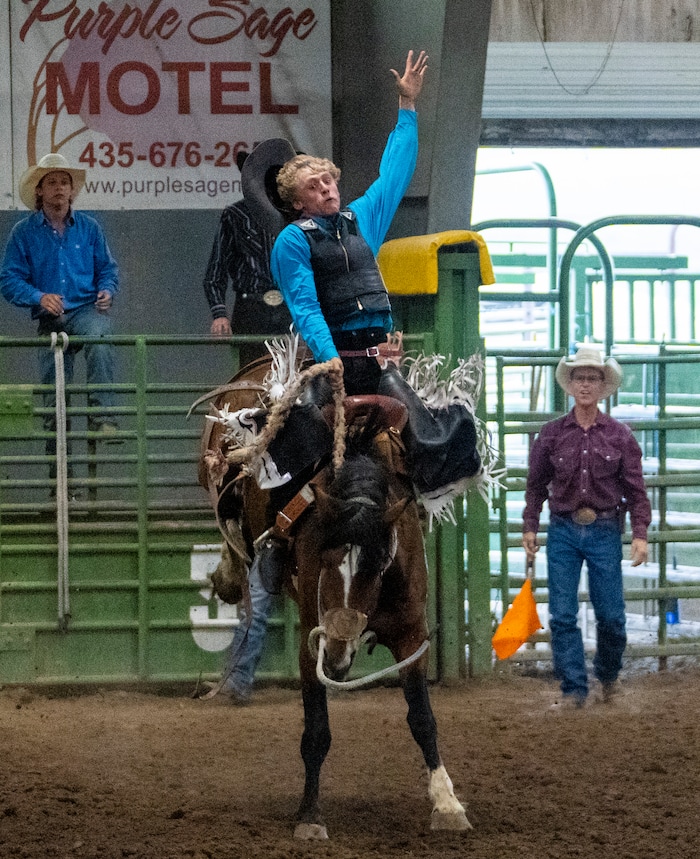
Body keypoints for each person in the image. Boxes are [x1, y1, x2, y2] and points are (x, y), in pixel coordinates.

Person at [236, 49, 481, 594]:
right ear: (298, 202)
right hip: (335, 364)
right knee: (311, 454)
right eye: (316, 186)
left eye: (329, 181)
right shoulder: (292, 242)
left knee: (428, 437)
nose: (328, 189)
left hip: (380, 364)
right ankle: (278, 535)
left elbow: (394, 172)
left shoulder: (361, 220)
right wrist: (328, 358)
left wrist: (407, 108)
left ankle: (404, 532)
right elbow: (304, 305)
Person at [522, 346, 651, 708]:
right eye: (580, 377)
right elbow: (535, 486)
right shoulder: (550, 435)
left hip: (605, 529)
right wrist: (530, 525)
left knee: (611, 616)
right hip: (563, 528)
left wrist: (640, 534)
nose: (585, 384)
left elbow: (636, 491)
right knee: (562, 614)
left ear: (601, 385)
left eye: (592, 378)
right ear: (571, 384)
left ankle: (607, 674)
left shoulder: (620, 436)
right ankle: (574, 689)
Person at [0, 152, 120, 491]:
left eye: (64, 182)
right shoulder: (23, 233)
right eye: (51, 182)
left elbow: (107, 270)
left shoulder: (90, 228)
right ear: (40, 191)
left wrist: (107, 290)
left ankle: (103, 416)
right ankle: (62, 489)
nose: (59, 188)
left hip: (83, 310)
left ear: (71, 191)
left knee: (99, 336)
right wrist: (38, 296)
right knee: (56, 403)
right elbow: (8, 279)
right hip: (49, 319)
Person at [202, 156, 292, 365]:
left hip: (291, 307)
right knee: (253, 373)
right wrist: (219, 313)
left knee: (295, 374)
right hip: (251, 307)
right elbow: (215, 272)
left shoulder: (296, 214)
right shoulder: (235, 215)